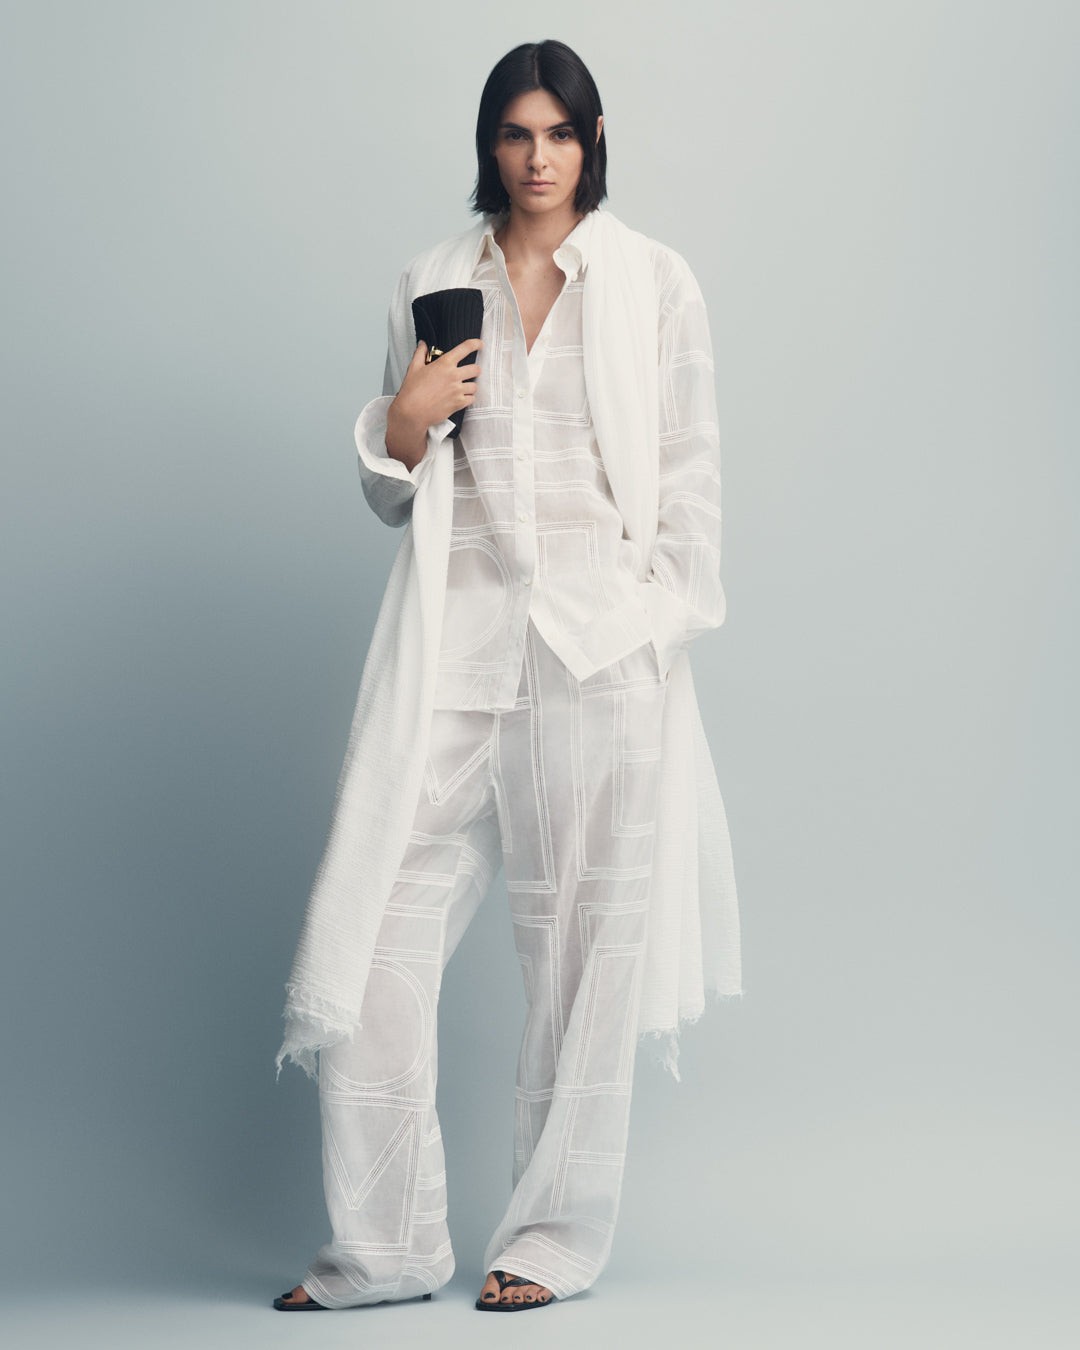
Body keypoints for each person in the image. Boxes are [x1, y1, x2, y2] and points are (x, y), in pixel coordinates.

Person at [272, 37, 740, 1314]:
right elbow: (394, 487)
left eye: (562, 134)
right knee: (374, 936)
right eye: (517, 134)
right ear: (489, 143)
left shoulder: (653, 283)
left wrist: (645, 627)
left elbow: (691, 487)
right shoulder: (432, 279)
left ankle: (548, 1240)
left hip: (597, 660)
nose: (540, 159)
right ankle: (385, 1250)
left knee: (581, 963)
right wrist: (405, 419)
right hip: (458, 653)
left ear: (594, 142)